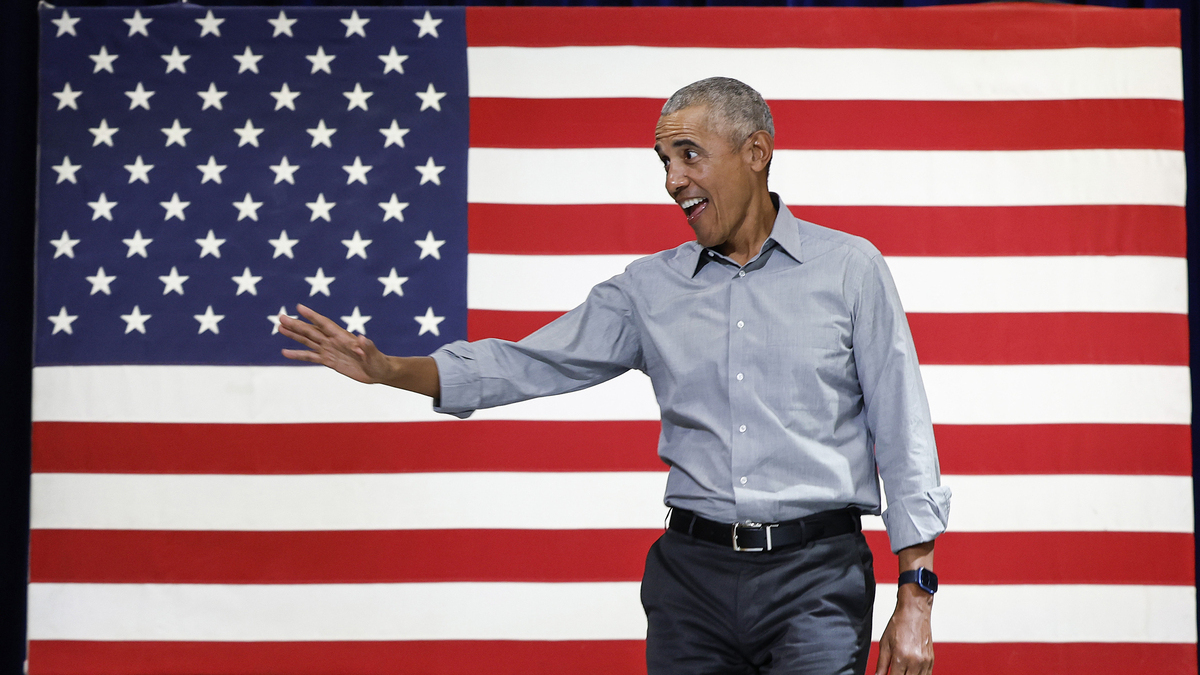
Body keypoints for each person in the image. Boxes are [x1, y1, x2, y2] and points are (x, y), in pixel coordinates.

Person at [280, 77, 950, 675]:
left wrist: (915, 596)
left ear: (755, 152)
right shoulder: (646, 289)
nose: (672, 180)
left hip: (816, 578)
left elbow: (903, 431)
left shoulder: (851, 269)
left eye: (690, 154)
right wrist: (389, 368)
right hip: (692, 583)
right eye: (663, 162)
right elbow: (528, 363)